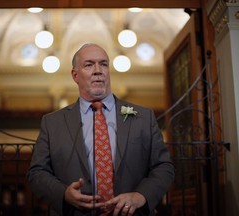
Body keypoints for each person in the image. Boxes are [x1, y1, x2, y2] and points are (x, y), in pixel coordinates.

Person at [27, 43, 175, 216]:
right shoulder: (52, 123)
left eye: (103, 64)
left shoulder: (143, 117)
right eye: (89, 65)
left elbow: (164, 166)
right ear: (75, 75)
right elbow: (37, 173)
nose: (98, 70)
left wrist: (141, 196)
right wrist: (64, 194)